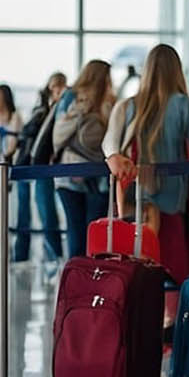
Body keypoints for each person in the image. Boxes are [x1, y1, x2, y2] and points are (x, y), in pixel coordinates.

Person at [104, 44, 189, 329]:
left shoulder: (130, 105)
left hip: (135, 205)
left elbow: (110, 145)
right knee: (176, 272)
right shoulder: (183, 104)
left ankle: (139, 328)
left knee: (138, 267)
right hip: (172, 203)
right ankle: (172, 332)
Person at [53, 61, 115, 258]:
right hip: (70, 175)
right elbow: (58, 134)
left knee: (95, 235)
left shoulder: (110, 101)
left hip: (99, 178)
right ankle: (76, 282)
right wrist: (82, 110)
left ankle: (91, 279)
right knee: (77, 234)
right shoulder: (72, 97)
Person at [16, 74, 68, 263]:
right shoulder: (43, 110)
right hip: (40, 166)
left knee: (48, 214)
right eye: (54, 88)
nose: (58, 92)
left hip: (49, 168)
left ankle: (56, 256)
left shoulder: (61, 109)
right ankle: (45, 255)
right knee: (40, 210)